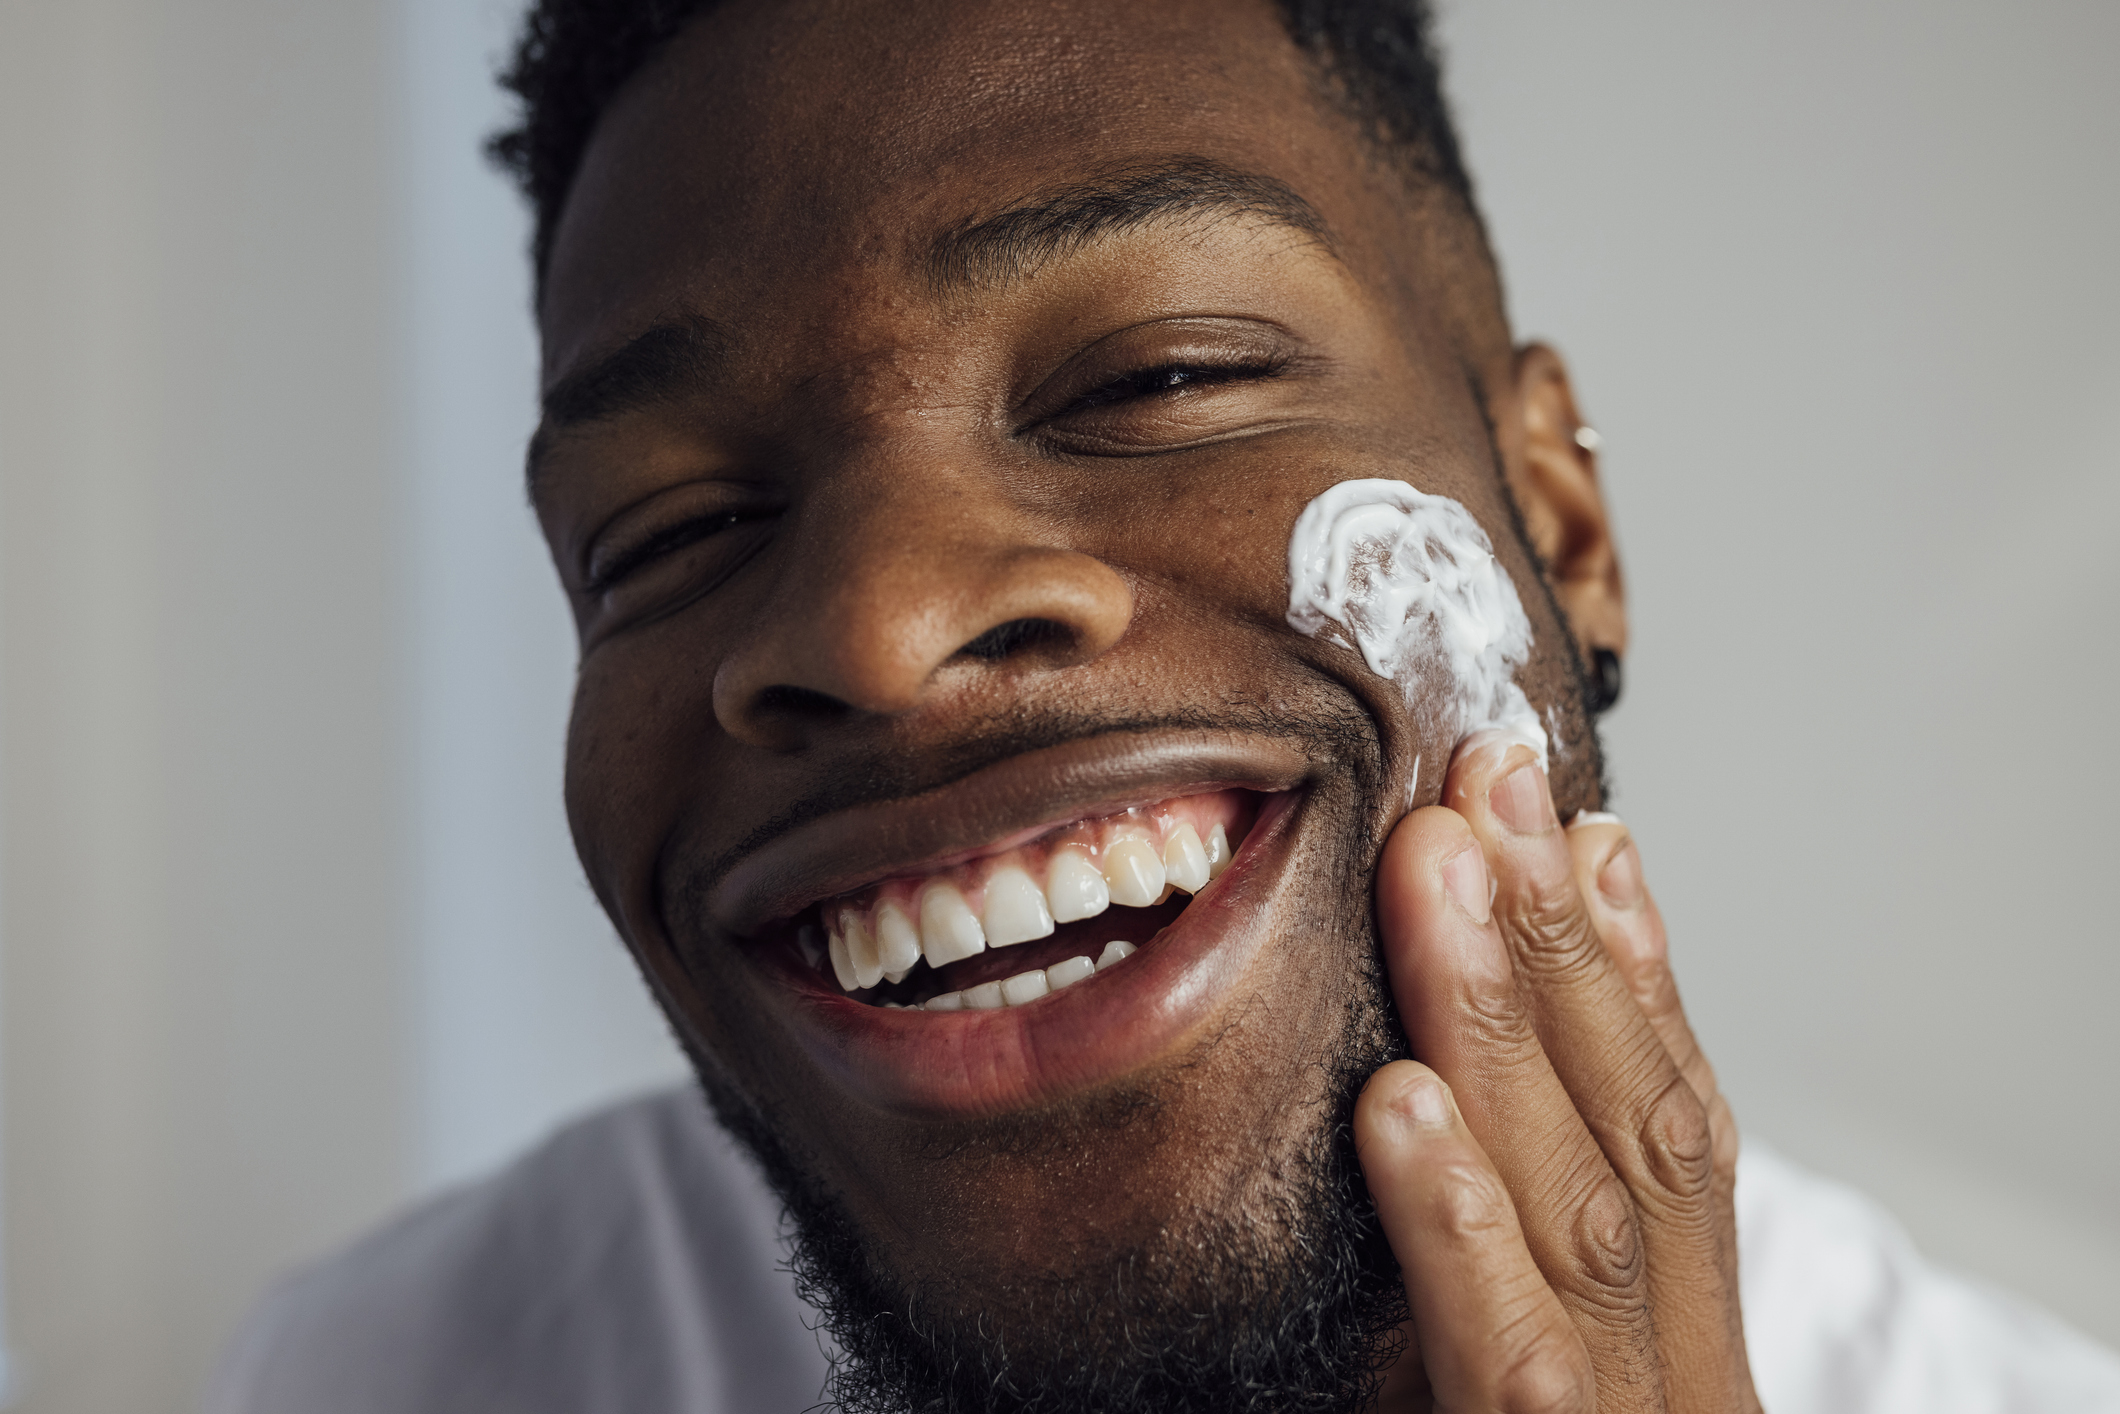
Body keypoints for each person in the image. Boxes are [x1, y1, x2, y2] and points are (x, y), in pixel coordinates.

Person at [212, 2, 2120, 1411]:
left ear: (1561, 519)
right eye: (669, 530)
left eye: (1159, 376)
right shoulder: (380, 1373)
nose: (876, 628)